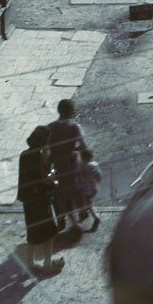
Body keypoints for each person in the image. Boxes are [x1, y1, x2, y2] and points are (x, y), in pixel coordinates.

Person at [17, 126, 63, 274]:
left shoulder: (24, 154)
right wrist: (52, 180)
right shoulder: (38, 156)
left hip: (28, 200)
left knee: (32, 232)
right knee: (50, 231)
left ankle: (29, 263)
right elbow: (40, 180)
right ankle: (47, 263)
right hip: (40, 200)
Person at [47, 99, 88, 233]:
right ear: (71, 112)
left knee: (59, 192)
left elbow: (46, 150)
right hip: (72, 163)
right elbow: (83, 147)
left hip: (57, 164)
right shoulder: (74, 127)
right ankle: (81, 211)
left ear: (58, 111)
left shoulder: (50, 127)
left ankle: (61, 217)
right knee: (77, 187)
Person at [74, 147, 102, 232]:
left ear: (83, 157)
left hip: (87, 188)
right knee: (87, 202)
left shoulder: (82, 165)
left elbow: (78, 175)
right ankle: (83, 214)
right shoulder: (95, 164)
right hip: (94, 187)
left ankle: (96, 218)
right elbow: (99, 175)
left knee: (88, 204)